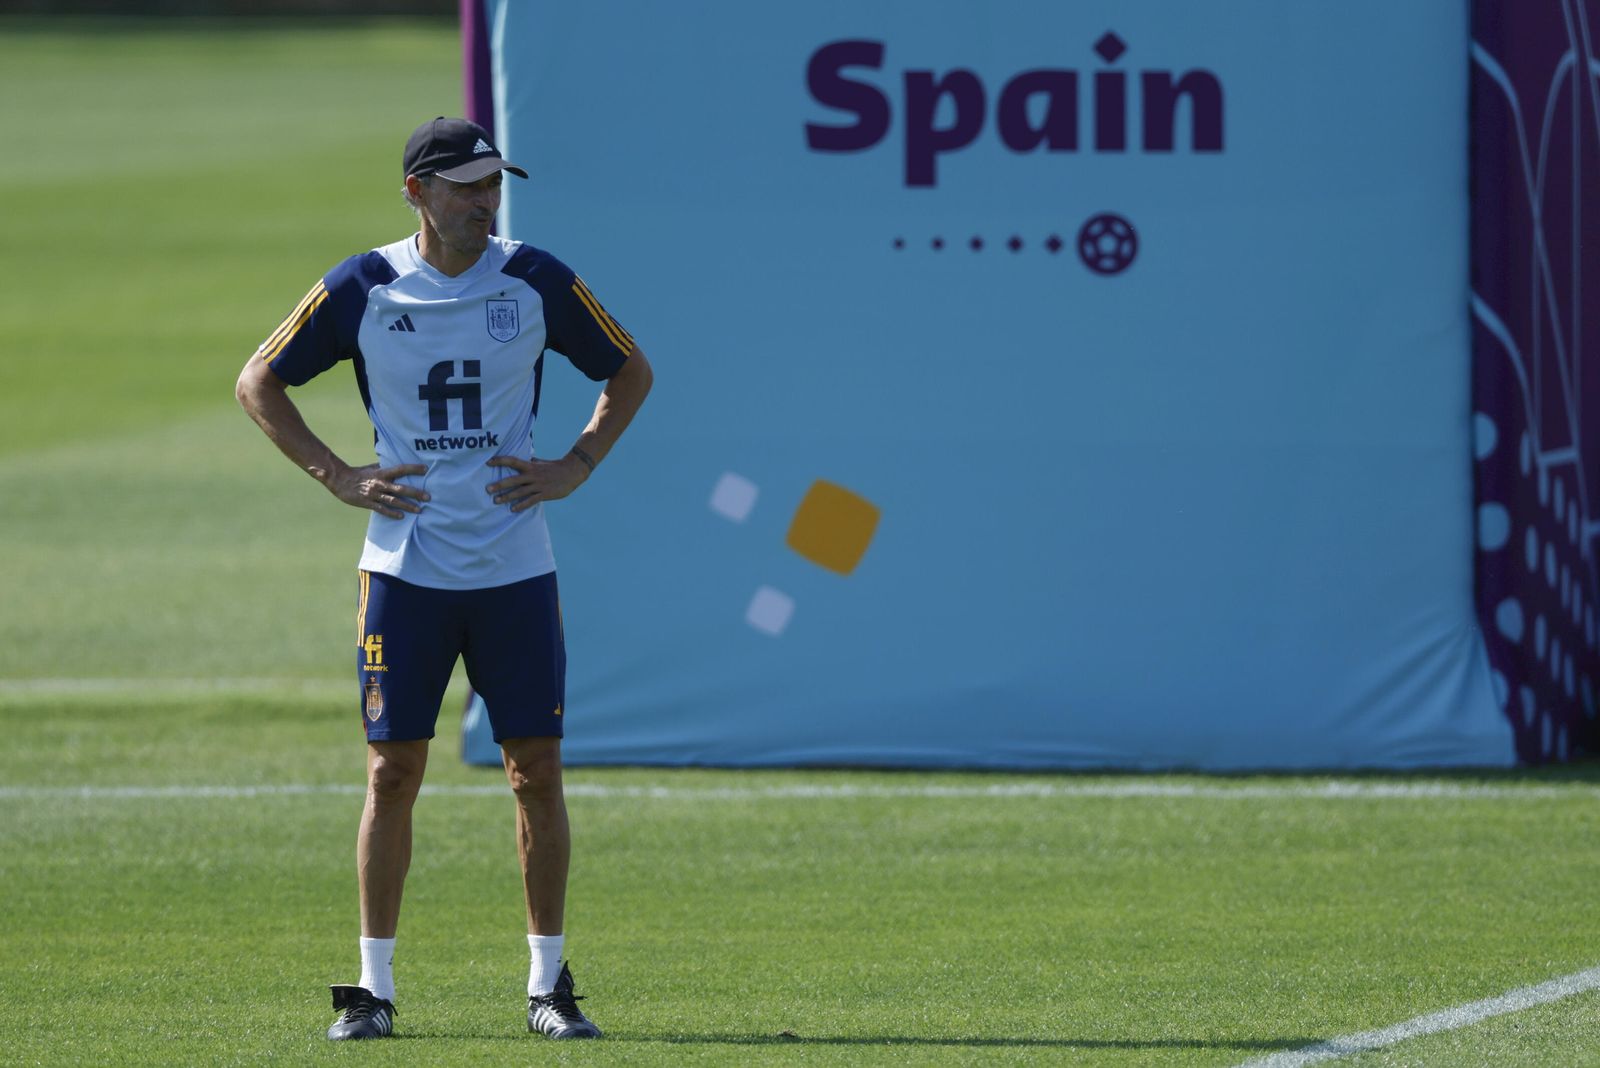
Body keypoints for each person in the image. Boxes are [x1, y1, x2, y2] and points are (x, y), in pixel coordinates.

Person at [235, 116, 652, 1042]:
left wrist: (577, 465)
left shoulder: (536, 278)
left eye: (493, 183)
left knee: (535, 773)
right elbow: (258, 380)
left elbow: (629, 371)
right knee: (393, 772)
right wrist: (338, 475)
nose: (485, 200)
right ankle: (372, 990)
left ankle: (549, 986)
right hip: (403, 570)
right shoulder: (363, 284)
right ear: (417, 194)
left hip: (514, 568)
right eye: (465, 185)